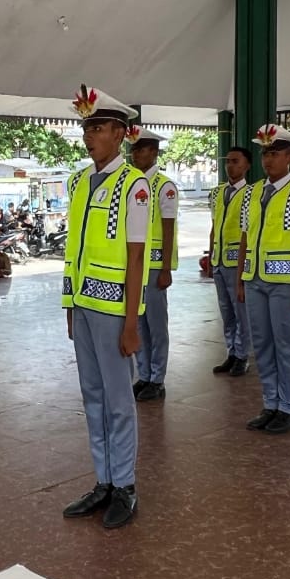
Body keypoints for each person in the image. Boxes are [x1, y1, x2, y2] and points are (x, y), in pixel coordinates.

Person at [61, 85, 149, 529]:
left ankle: (125, 486)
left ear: (120, 134)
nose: (89, 136)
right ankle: (103, 480)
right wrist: (70, 306)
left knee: (118, 400)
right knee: (92, 396)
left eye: (98, 128)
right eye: (86, 129)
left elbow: (136, 258)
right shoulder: (78, 181)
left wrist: (132, 322)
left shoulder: (134, 186)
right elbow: (72, 250)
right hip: (83, 305)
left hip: (115, 310)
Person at [237, 124, 290, 435]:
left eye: (275, 153)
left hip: (284, 281)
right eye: (265, 154)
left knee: (285, 345)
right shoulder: (252, 191)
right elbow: (245, 237)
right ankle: (270, 403)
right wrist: (240, 279)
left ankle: (288, 407)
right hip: (254, 278)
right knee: (262, 344)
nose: (268, 160)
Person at [126, 126, 177, 402]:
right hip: (136, 265)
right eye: (133, 149)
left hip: (155, 265)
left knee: (156, 326)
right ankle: (143, 375)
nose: (135, 154)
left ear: (154, 153)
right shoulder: (132, 183)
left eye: (140, 149)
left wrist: (166, 268)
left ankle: (157, 379)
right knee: (138, 323)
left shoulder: (164, 186)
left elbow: (168, 229)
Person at [208, 147, 253, 377]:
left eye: (235, 161)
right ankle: (231, 352)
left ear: (247, 166)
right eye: (228, 161)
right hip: (219, 260)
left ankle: (242, 355)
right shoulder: (218, 192)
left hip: (237, 262)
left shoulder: (251, 194)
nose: (230, 165)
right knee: (226, 312)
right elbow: (214, 225)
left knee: (241, 311)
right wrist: (211, 254)